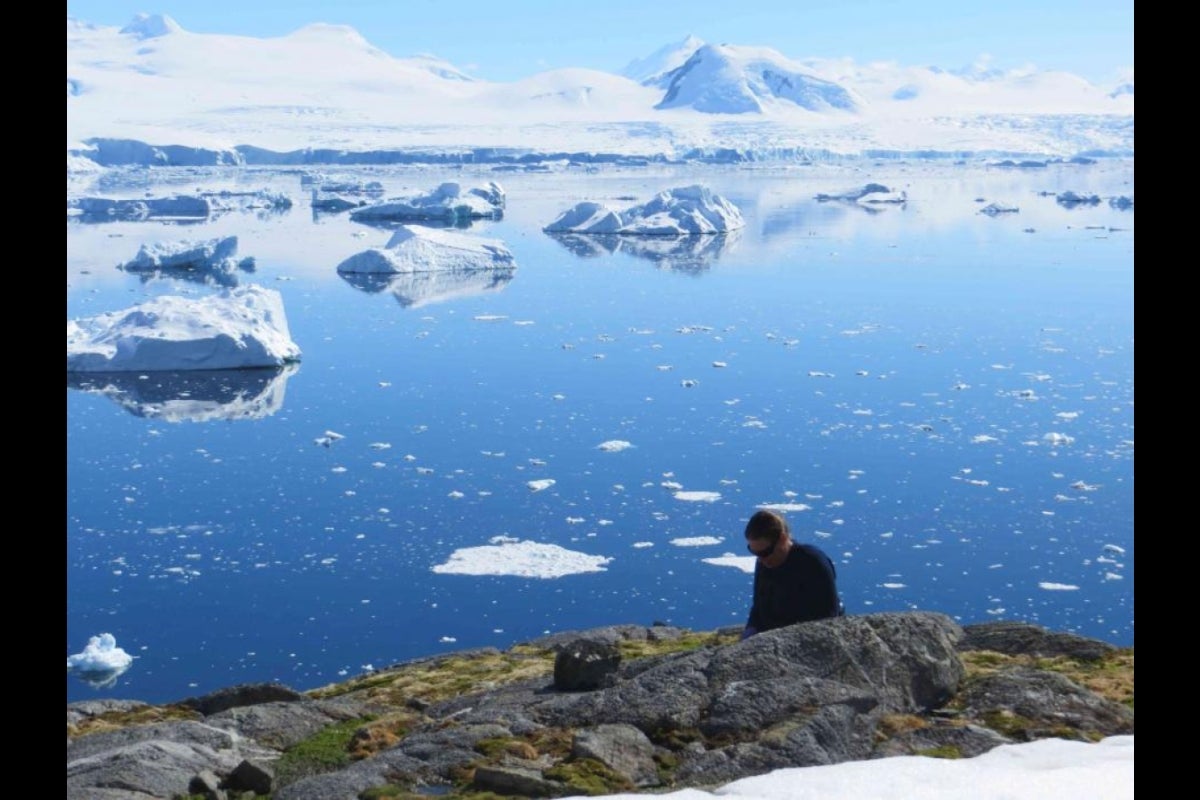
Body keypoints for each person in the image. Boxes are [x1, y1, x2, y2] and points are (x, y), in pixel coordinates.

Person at [741, 508, 843, 640]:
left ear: (782, 539)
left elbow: (829, 614)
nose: (761, 559)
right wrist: (751, 630)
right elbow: (759, 607)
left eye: (765, 552)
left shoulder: (813, 562)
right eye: (754, 552)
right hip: (772, 637)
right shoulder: (764, 562)